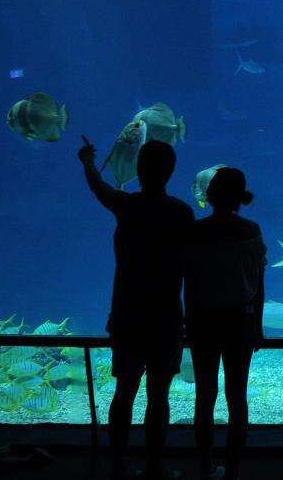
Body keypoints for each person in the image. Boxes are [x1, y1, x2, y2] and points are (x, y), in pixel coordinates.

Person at [79, 136, 195, 480]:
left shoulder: (127, 205)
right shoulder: (181, 212)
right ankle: (155, 465)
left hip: (128, 315)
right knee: (158, 396)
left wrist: (87, 160)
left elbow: (97, 185)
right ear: (171, 172)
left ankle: (118, 463)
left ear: (138, 170)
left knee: (124, 390)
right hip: (165, 319)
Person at [183, 168, 266, 480]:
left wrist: (188, 320)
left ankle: (205, 466)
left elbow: (188, 282)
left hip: (203, 319)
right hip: (240, 322)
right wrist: (258, 326)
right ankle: (232, 470)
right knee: (237, 396)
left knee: (205, 396)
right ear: (240, 198)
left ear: (211, 195)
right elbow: (259, 285)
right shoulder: (251, 230)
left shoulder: (196, 231)